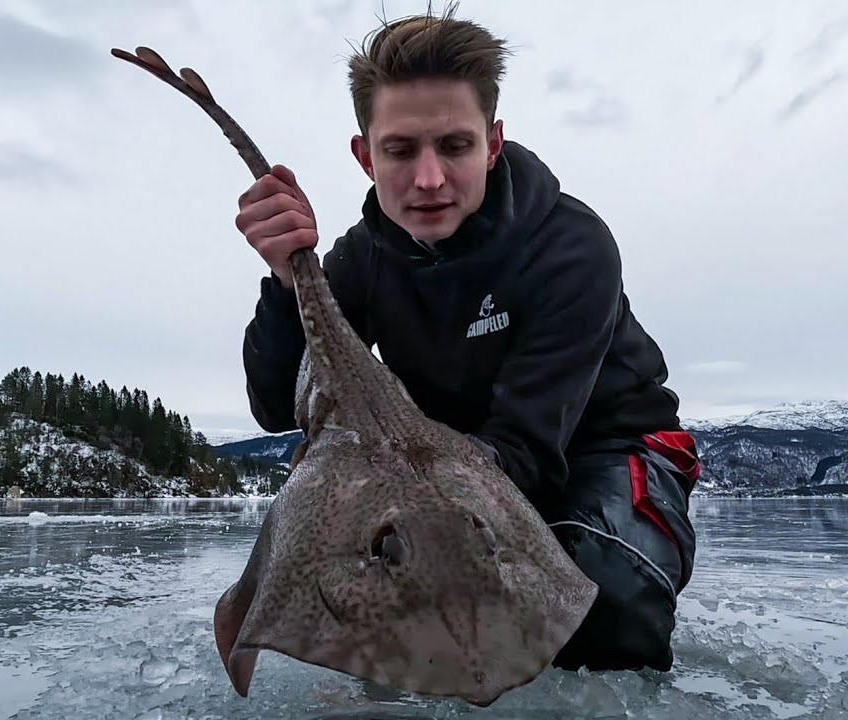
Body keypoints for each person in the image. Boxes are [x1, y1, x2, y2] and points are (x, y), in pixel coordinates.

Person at [235, 6, 701, 674]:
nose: (429, 179)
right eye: (401, 150)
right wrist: (287, 283)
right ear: (365, 157)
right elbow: (278, 406)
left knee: (607, 599)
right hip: (451, 462)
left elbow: (528, 447)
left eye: (454, 146)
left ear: (493, 143)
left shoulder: (570, 247)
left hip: (603, 445)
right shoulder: (362, 261)